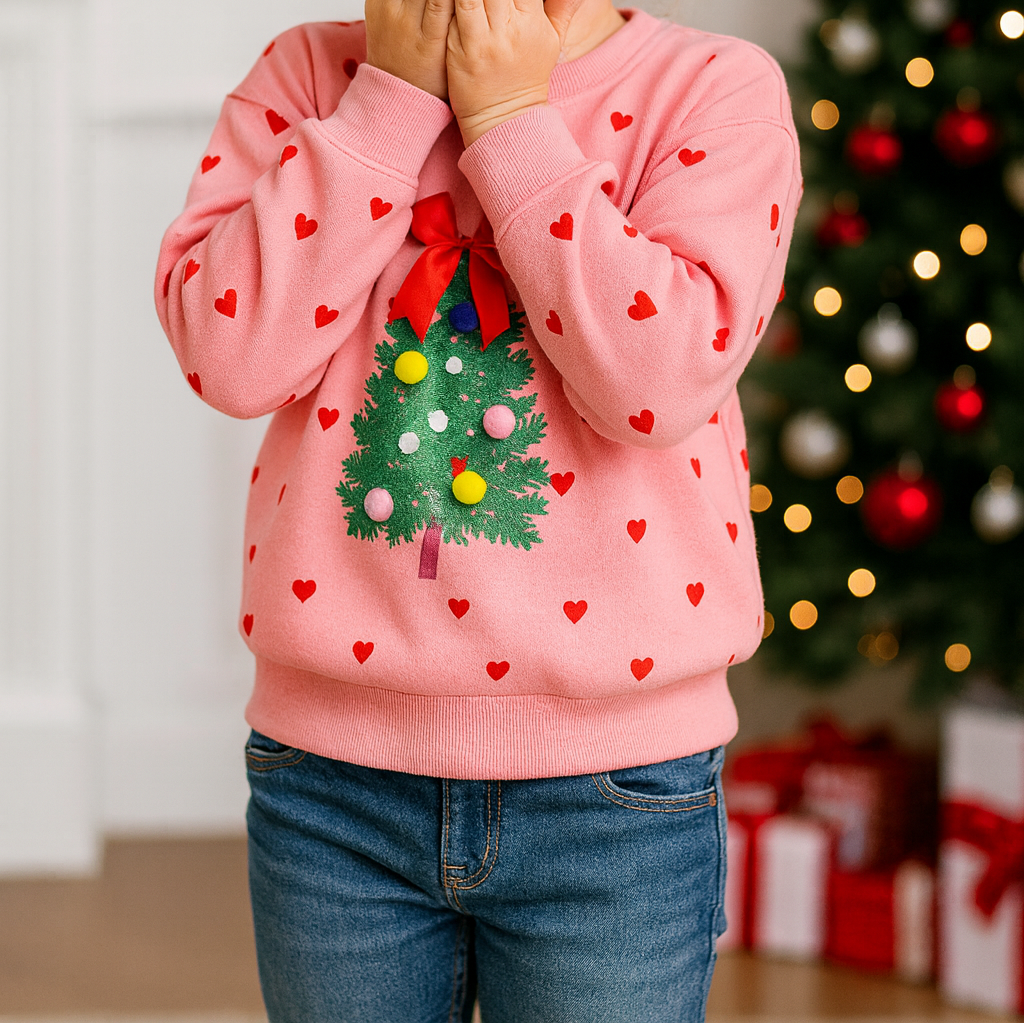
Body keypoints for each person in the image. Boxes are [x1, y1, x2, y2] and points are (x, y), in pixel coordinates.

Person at [155, 0, 800, 1020]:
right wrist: (389, 105)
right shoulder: (305, 77)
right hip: (333, 783)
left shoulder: (714, 90)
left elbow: (657, 383)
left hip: (616, 793)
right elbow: (228, 357)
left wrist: (506, 118)